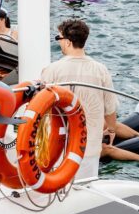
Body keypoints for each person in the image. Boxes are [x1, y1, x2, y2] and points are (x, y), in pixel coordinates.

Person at [41, 19, 118, 179]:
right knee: (86, 189)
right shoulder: (101, 70)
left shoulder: (52, 70)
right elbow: (110, 109)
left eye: (59, 38)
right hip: (88, 147)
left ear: (68, 42)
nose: (59, 43)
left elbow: (40, 105)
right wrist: (111, 130)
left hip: (58, 147)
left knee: (56, 188)